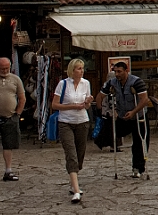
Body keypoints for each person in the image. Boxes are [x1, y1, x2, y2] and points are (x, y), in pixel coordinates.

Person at [96, 61, 150, 178]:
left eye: (119, 71)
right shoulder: (112, 83)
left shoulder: (136, 82)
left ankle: (138, 168)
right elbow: (100, 96)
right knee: (110, 131)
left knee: (139, 142)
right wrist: (101, 112)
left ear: (126, 71)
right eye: (115, 71)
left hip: (138, 116)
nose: (117, 74)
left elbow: (144, 100)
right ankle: (104, 143)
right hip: (122, 115)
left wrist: (133, 112)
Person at [51, 59, 93, 203]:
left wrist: (87, 103)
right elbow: (55, 105)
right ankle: (76, 190)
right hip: (66, 122)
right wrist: (73, 106)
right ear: (72, 70)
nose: (81, 71)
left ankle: (73, 179)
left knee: (80, 154)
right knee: (71, 154)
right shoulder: (63, 84)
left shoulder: (86, 83)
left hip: (82, 121)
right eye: (78, 68)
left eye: (82, 68)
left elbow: (86, 105)